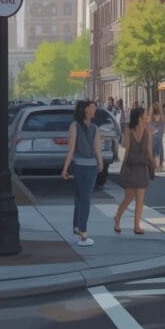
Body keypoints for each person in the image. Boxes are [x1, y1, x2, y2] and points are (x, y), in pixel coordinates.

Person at [61, 99, 103, 247]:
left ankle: (77, 227)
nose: (95, 110)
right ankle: (83, 234)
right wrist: (65, 167)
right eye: (93, 107)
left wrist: (100, 162)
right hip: (84, 167)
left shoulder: (93, 127)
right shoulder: (77, 126)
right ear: (86, 110)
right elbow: (72, 149)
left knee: (80, 197)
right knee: (85, 198)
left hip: (86, 166)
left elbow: (96, 148)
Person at [114, 106, 155, 235]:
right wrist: (123, 166)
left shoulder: (148, 131)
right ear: (139, 117)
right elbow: (126, 148)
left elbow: (149, 151)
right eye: (145, 115)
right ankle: (117, 218)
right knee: (129, 197)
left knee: (140, 199)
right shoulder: (128, 130)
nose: (147, 117)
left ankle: (136, 225)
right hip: (131, 166)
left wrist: (153, 164)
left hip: (141, 167)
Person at [149, 102, 165, 172]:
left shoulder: (150, 118)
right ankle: (160, 165)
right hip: (159, 138)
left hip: (153, 138)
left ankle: (154, 165)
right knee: (160, 152)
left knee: (153, 152)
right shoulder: (161, 118)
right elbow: (162, 129)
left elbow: (149, 128)